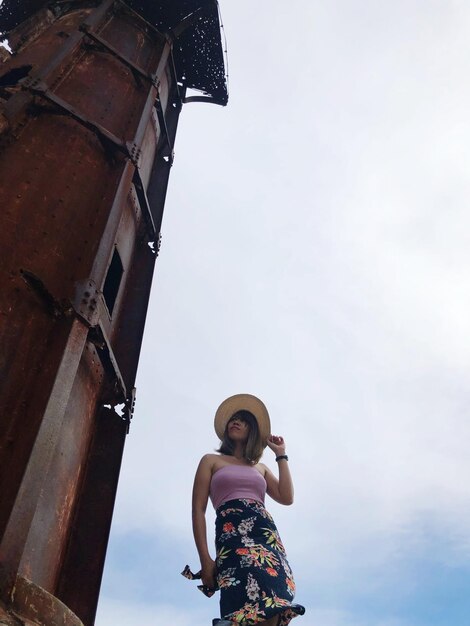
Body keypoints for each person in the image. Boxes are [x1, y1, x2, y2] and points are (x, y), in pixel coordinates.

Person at [190, 393, 305, 626]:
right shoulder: (211, 461)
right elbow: (198, 510)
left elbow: (287, 496)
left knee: (274, 602)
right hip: (232, 537)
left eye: (243, 420)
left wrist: (281, 454)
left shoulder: (260, 468)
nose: (236, 422)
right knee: (241, 606)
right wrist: (205, 559)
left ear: (252, 430)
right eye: (233, 418)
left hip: (265, 538)